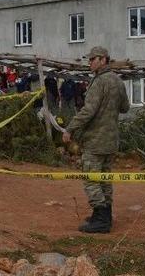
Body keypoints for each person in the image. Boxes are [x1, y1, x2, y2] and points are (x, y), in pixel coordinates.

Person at [62, 46, 129, 234]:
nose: (89, 62)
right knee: (105, 179)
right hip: (110, 139)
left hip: (95, 140)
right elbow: (125, 107)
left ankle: (100, 219)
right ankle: (104, 216)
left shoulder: (99, 82)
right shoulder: (117, 80)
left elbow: (88, 111)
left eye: (92, 59)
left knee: (91, 179)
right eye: (89, 59)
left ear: (103, 60)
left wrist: (70, 128)